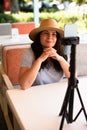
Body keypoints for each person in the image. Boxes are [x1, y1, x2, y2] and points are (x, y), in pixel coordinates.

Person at [19, 18, 70, 90]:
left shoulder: (62, 52)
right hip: (35, 93)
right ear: (39, 36)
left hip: (57, 91)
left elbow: (73, 78)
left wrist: (60, 59)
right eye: (46, 33)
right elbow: (24, 85)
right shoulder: (29, 53)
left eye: (54, 34)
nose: (50, 37)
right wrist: (40, 60)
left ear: (57, 38)